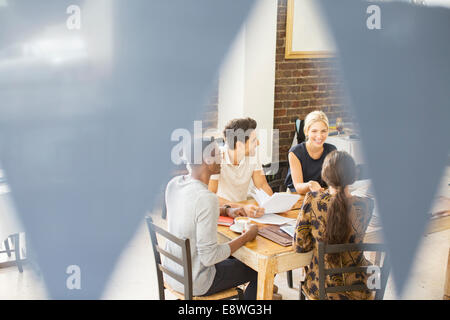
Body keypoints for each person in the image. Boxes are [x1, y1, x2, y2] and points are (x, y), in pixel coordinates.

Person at [164, 137, 259, 299]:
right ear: (207, 160)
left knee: (232, 258)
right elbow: (210, 257)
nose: (221, 156)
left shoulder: (174, 184)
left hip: (173, 273)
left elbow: (191, 214)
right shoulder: (207, 198)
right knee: (257, 269)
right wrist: (246, 237)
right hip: (197, 281)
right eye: (217, 153)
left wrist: (225, 210)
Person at [294, 150, 375, 300]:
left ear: (325, 176)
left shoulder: (313, 200)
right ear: (353, 177)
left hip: (322, 288)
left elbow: (300, 245)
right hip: (359, 289)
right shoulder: (367, 205)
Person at [208, 117, 273, 218]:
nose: (258, 143)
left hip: (242, 213)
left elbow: (263, 185)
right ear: (239, 145)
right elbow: (210, 196)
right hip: (221, 212)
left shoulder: (253, 156)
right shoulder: (216, 158)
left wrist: (274, 206)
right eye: (254, 141)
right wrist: (241, 207)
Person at [285, 111, 337, 194]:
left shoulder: (332, 150)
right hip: (296, 195)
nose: (319, 136)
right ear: (306, 131)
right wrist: (310, 185)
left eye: (323, 131)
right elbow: (298, 187)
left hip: (322, 194)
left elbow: (334, 181)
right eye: (314, 131)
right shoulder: (295, 152)